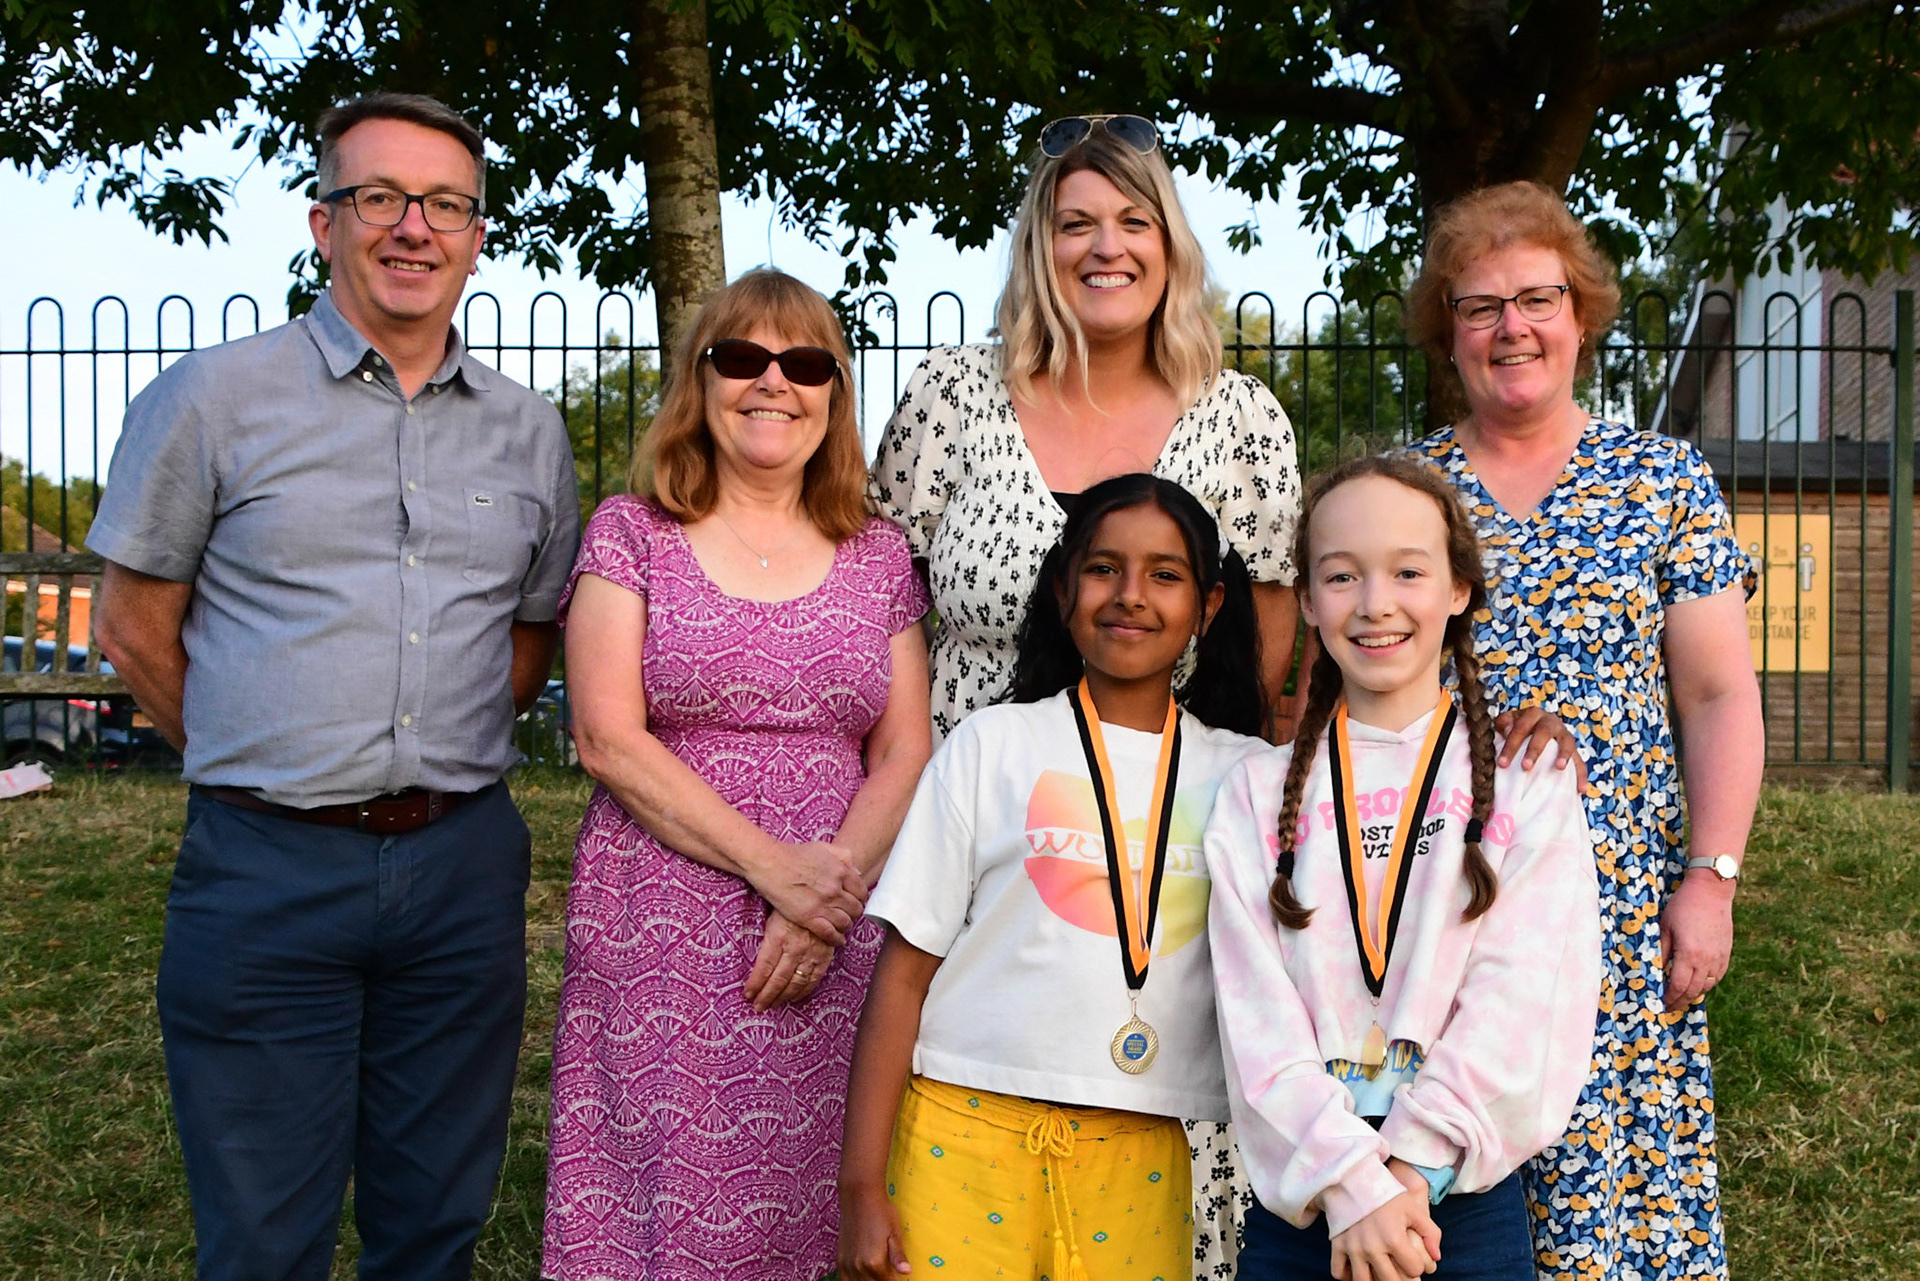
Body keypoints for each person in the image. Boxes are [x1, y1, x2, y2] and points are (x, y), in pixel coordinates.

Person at [86, 92, 580, 1278]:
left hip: (460, 872)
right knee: (265, 1241)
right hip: (266, 870)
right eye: (381, 197)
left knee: (435, 1231)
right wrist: (266, 756)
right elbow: (132, 628)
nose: (414, 226)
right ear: (324, 222)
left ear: (476, 238)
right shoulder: (212, 399)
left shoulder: (530, 434)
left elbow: (528, 641)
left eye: (446, 205)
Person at [868, 113, 1302, 1271]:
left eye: (1133, 221)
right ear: (1038, 244)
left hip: (1167, 848)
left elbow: (1268, 651)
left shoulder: (1242, 418)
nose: (1105, 247)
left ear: (1171, 244)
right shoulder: (952, 397)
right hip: (975, 832)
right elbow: (881, 608)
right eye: (1075, 223)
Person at [1402, 181, 1763, 1280]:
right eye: (1480, 306)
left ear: (1581, 315)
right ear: (1448, 332)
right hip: (1447, 899)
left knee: (1612, 1202)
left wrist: (1711, 880)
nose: (1511, 327)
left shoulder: (1663, 481)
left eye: (1537, 299)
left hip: (1619, 906)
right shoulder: (1410, 490)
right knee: (1451, 1169)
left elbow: (1718, 696)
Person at [541, 268, 933, 1281]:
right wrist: (773, 868)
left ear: (834, 394)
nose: (773, 382)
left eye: (804, 363)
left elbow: (905, 748)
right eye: (742, 357)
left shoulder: (879, 554)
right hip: (659, 922)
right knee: (660, 1200)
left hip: (835, 918)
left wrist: (822, 898)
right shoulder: (631, 532)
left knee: (818, 1193)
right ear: (699, 379)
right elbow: (606, 736)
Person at [838, 474, 1271, 1281]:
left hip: (1138, 1146)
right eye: (1104, 568)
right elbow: (901, 975)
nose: (1130, 594)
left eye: (1165, 574)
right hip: (959, 1129)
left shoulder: (1249, 776)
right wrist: (860, 1183)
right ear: (1064, 586)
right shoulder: (989, 745)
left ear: (1208, 606)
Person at [1205, 456, 1603, 1281]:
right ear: (1306, 600)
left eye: (1408, 571)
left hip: (1460, 1205)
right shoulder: (1253, 792)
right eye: (1341, 575)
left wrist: (1409, 1173)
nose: (1375, 602)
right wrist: (1353, 1185)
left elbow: (1521, 1000)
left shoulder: (1528, 782)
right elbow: (1255, 1019)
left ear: (1459, 588)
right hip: (1309, 1200)